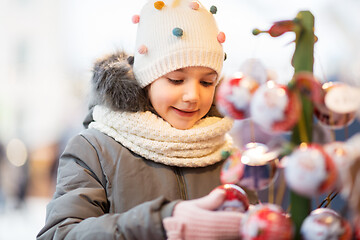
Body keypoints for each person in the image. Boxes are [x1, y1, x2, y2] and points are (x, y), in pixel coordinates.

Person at [37, 0, 257, 239]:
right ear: (145, 78)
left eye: (207, 82)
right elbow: (60, 233)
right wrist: (160, 222)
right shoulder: (94, 150)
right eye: (176, 79)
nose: (193, 96)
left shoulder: (226, 153)